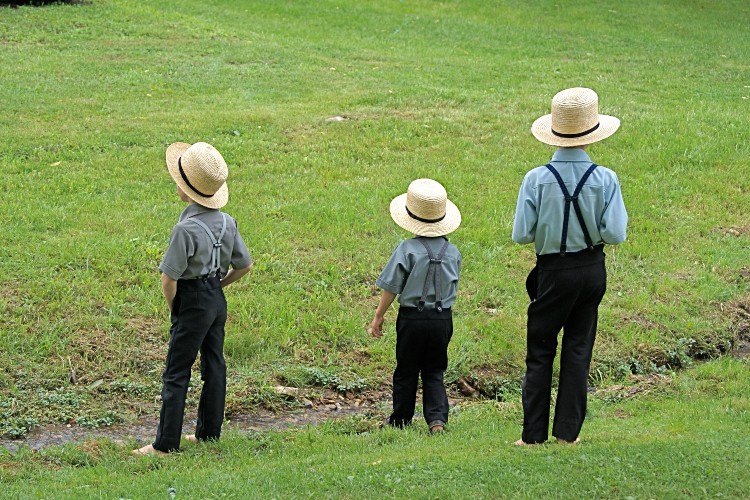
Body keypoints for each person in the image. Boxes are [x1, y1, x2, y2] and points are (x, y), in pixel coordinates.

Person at [511, 88, 628, 445]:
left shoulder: (536, 178)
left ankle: (533, 435)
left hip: (553, 270)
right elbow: (616, 233)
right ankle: (568, 434)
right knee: (579, 350)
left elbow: (521, 235)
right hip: (592, 268)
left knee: (541, 349)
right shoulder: (606, 178)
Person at [134, 142, 252, 456]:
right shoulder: (228, 222)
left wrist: (177, 309)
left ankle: (164, 445)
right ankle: (208, 434)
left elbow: (168, 278)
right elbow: (245, 265)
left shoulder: (184, 229)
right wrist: (219, 287)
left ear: (186, 190)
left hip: (191, 300)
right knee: (214, 366)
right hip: (216, 299)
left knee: (177, 371)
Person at [369, 178, 462, 434]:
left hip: (412, 318)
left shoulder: (406, 249)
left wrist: (379, 316)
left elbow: (392, 286)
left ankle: (401, 419)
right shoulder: (453, 252)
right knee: (435, 370)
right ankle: (437, 420)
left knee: (406, 370)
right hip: (442, 319)